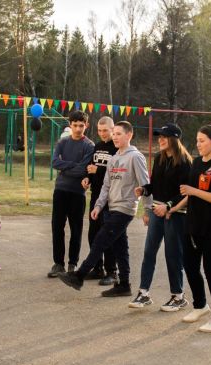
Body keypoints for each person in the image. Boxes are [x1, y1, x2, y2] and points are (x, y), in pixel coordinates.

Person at [58, 121, 149, 297]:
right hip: (111, 207)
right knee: (121, 247)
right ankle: (124, 285)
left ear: (129, 135)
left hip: (125, 207)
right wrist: (98, 206)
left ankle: (79, 275)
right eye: (113, 134)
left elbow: (146, 184)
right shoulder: (114, 159)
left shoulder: (135, 157)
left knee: (100, 240)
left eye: (118, 134)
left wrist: (147, 210)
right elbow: (106, 186)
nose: (114, 137)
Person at [130, 123, 192, 312]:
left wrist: (168, 207)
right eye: (159, 137)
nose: (160, 140)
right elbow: (155, 185)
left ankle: (178, 296)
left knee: (173, 255)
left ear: (174, 139)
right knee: (149, 252)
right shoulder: (159, 159)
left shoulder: (185, 163)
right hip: (157, 211)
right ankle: (143, 293)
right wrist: (144, 190)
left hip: (176, 215)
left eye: (164, 137)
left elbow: (185, 194)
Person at [177, 125, 211, 333]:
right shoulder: (197, 162)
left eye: (202, 140)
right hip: (193, 225)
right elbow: (190, 194)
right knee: (190, 267)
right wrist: (174, 208)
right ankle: (200, 305)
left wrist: (194, 191)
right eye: (197, 140)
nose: (198, 144)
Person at [47, 110, 94, 277]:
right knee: (57, 227)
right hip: (61, 190)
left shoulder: (89, 146)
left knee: (76, 228)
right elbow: (54, 162)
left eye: (81, 125)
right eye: (75, 125)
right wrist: (75, 166)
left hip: (78, 193)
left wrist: (65, 167)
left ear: (86, 126)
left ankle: (72, 263)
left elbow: (84, 168)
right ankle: (58, 263)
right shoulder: (62, 142)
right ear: (70, 125)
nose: (78, 128)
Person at [81, 116, 119, 285]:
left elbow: (117, 173)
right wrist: (87, 177)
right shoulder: (97, 146)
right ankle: (98, 268)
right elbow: (91, 166)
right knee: (93, 233)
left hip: (111, 197)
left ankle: (112, 272)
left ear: (112, 129)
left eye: (106, 130)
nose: (102, 134)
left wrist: (98, 170)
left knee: (108, 234)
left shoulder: (117, 148)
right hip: (96, 195)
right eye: (99, 130)